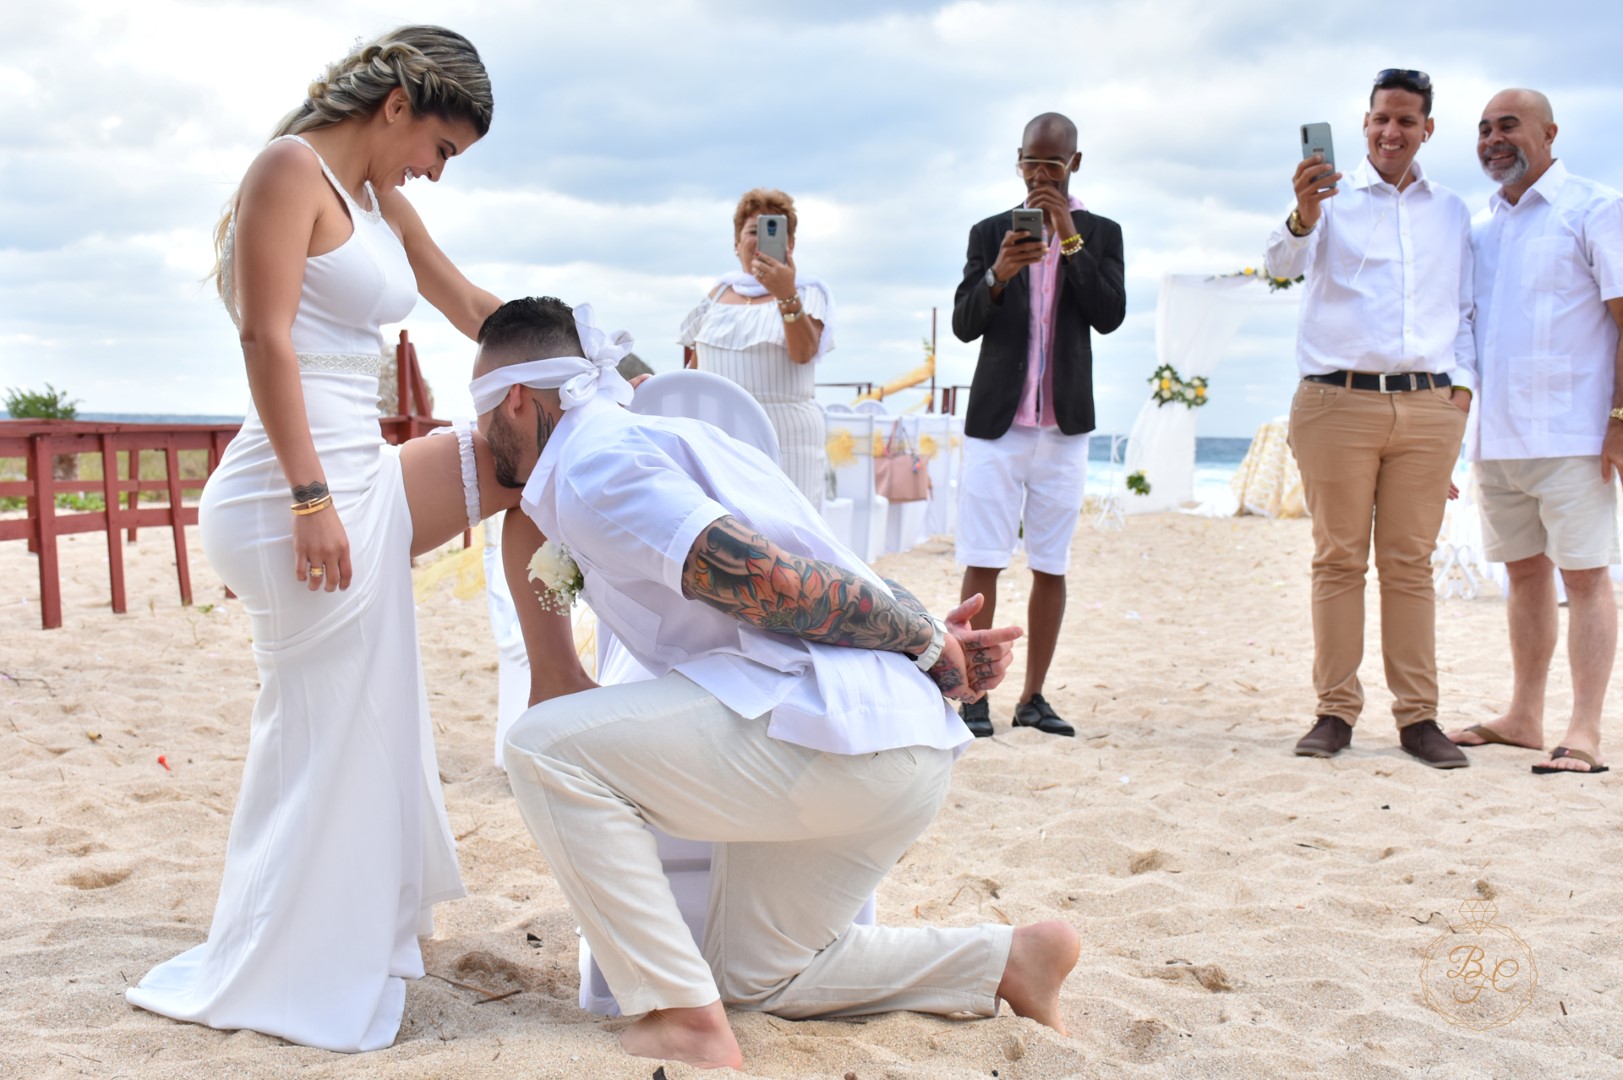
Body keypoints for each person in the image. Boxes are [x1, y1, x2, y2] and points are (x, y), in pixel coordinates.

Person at [471, 297, 1080, 1071]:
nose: (477, 433)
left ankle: (678, 1017)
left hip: (824, 738)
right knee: (753, 978)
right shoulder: (672, 439)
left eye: (479, 411)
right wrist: (930, 639)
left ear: (514, 400)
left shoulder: (595, 466)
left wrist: (926, 642)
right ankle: (1007, 961)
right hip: (887, 745)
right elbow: (817, 557)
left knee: (542, 749)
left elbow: (774, 581)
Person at [125, 26, 519, 1051]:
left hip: (358, 477)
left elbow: (469, 305)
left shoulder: (381, 203)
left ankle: (344, 936)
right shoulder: (287, 171)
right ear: (398, 106)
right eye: (440, 148)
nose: (435, 171)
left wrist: (589, 354)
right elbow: (264, 338)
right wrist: (311, 499)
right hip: (287, 490)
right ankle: (285, 963)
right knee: (318, 734)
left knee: (363, 721)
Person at [1267, 69, 1474, 769]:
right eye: (1382, 118)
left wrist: (1460, 397)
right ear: (1364, 123)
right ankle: (1334, 712)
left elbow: (1465, 312)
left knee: (1410, 565)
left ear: (1426, 129)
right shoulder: (1327, 199)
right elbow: (1279, 266)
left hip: (1428, 406)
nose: (1392, 131)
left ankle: (1419, 718)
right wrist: (1302, 213)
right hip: (1335, 402)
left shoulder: (1452, 212)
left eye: (1406, 120)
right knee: (1338, 560)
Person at [1446, 89, 1623, 776]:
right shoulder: (1479, 229)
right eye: (1483, 129)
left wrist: (1618, 420)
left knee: (1585, 578)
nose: (1493, 139)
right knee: (1522, 576)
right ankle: (1523, 716)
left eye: (1508, 126)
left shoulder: (1594, 208)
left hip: (1575, 437)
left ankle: (1584, 730)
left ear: (1549, 133)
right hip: (1496, 439)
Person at [950, 112, 1126, 739]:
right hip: (996, 427)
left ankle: (1033, 698)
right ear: (1018, 160)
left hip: (1063, 427)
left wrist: (1069, 238)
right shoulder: (989, 232)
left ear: (1075, 163)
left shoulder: (1101, 233)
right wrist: (999, 273)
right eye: (1031, 162)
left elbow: (1109, 314)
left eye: (1053, 164)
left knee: (1051, 564)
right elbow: (964, 323)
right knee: (982, 558)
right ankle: (974, 695)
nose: (1040, 175)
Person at [679, 188, 833, 510]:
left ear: (790, 245)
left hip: (787, 439)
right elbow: (694, 365)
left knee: (788, 530)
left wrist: (786, 295)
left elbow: (804, 353)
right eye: (753, 231)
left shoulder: (809, 292)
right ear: (736, 243)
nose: (761, 241)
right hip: (719, 440)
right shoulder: (718, 294)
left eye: (773, 232)